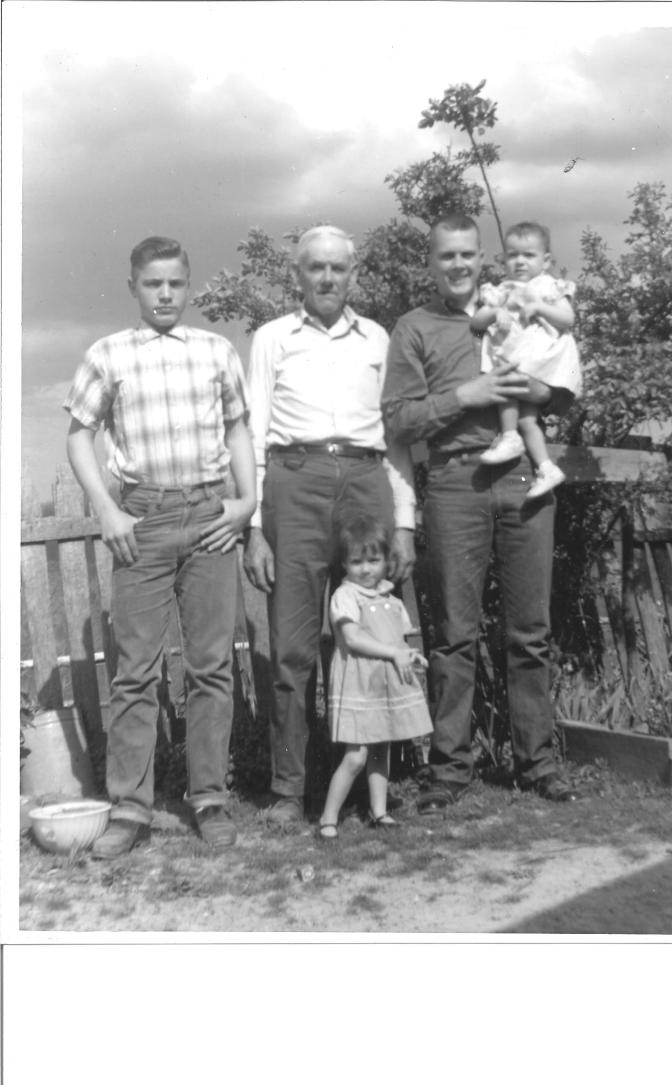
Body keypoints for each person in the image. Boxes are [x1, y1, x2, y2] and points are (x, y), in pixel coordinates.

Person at [64, 235, 256, 858]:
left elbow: (238, 429)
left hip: (208, 516)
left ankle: (209, 799)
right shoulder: (108, 353)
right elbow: (78, 438)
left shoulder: (215, 350)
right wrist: (108, 511)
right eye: (153, 284)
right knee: (136, 672)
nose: (165, 294)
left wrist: (247, 500)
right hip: (141, 519)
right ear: (134, 288)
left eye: (175, 282)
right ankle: (130, 808)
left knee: (210, 666)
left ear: (189, 285)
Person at [382, 213, 577, 811]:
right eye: (447, 257)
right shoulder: (414, 328)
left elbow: (560, 383)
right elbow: (398, 419)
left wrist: (546, 396)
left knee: (529, 629)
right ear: (432, 263)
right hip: (453, 478)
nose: (459, 266)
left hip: (522, 476)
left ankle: (538, 763)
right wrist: (466, 396)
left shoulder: (515, 304)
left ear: (480, 257)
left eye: (468, 255)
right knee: (455, 633)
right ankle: (450, 768)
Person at [244, 225, 416, 826]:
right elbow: (254, 432)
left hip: (366, 479)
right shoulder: (272, 338)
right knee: (292, 644)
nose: (326, 278)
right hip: (295, 478)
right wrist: (255, 527)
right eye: (315, 268)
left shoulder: (378, 337)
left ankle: (385, 773)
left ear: (353, 275)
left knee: (375, 632)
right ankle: (290, 787)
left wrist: (405, 523)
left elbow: (395, 436)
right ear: (298, 276)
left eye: (337, 269)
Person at [317, 515, 432, 840]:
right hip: (360, 683)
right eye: (356, 562)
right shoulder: (346, 597)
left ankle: (379, 812)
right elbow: (353, 639)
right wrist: (394, 653)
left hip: (385, 685)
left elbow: (398, 642)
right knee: (356, 755)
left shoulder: (392, 602)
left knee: (382, 750)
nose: (365, 569)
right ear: (344, 563)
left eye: (373, 560)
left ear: (386, 561)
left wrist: (410, 656)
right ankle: (328, 817)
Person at [472, 221, 582, 497]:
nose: (520, 261)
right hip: (521, 357)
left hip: (540, 361)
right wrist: (495, 312)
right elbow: (476, 322)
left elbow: (568, 319)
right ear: (504, 259)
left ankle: (509, 437)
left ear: (545, 261)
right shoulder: (503, 289)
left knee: (507, 381)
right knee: (527, 421)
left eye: (528, 255)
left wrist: (540, 307)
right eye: (513, 255)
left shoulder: (548, 286)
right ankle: (546, 467)